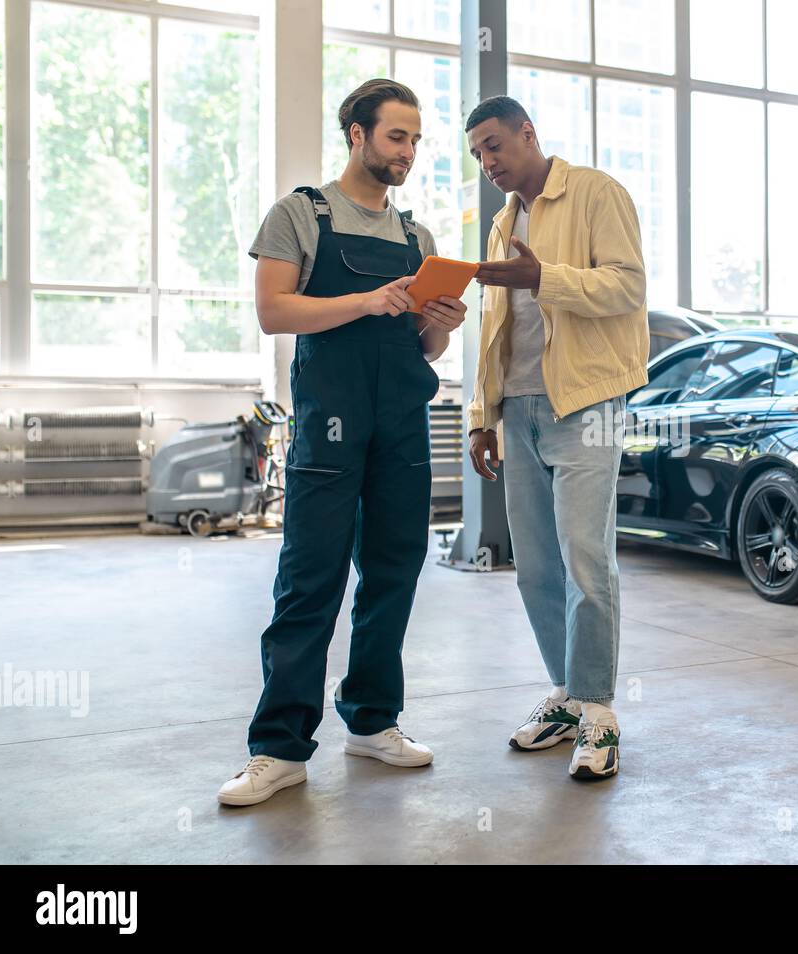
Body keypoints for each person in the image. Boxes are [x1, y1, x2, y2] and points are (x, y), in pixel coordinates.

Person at [219, 79, 466, 807]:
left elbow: (424, 349)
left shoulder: (417, 238)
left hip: (402, 425)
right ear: (356, 134)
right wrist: (367, 299)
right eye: (397, 136)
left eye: (417, 139)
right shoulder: (301, 213)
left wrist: (442, 320)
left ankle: (373, 720)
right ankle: (278, 748)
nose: (409, 152)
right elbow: (273, 311)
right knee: (310, 577)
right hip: (330, 422)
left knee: (393, 571)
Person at [464, 95, 649, 780]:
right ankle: (568, 697)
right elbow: (493, 329)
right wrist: (482, 414)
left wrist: (546, 277)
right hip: (519, 407)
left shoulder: (597, 193)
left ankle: (599, 710)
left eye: (493, 145)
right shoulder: (502, 221)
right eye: (478, 154)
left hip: (590, 401)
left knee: (584, 556)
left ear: (527, 133)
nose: (487, 162)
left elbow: (628, 288)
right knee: (536, 564)